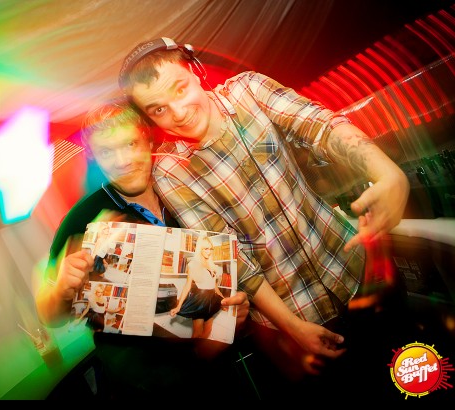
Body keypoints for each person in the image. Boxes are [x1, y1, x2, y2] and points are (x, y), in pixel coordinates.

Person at [118, 37, 411, 390]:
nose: (178, 113)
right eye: (158, 110)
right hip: (295, 318)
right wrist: (293, 328)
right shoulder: (170, 171)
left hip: (355, 268)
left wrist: (388, 172)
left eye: (179, 89)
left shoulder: (249, 92)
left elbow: (319, 126)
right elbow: (232, 258)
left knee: (417, 373)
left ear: (197, 72)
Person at [35, 97, 256, 400]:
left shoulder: (185, 192)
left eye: (130, 144)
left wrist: (233, 313)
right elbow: (50, 316)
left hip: (215, 375)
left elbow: (222, 274)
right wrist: (62, 288)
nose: (122, 160)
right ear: (93, 157)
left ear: (148, 140)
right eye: (106, 151)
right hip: (140, 389)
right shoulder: (81, 220)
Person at [170, 235, 225, 339]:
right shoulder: (193, 264)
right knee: (197, 333)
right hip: (200, 301)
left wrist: (223, 298)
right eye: (206, 248)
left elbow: (214, 286)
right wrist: (178, 306)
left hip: (212, 300)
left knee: (208, 329)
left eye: (211, 249)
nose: (209, 252)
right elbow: (187, 286)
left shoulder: (211, 264)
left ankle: (201, 348)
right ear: (200, 249)